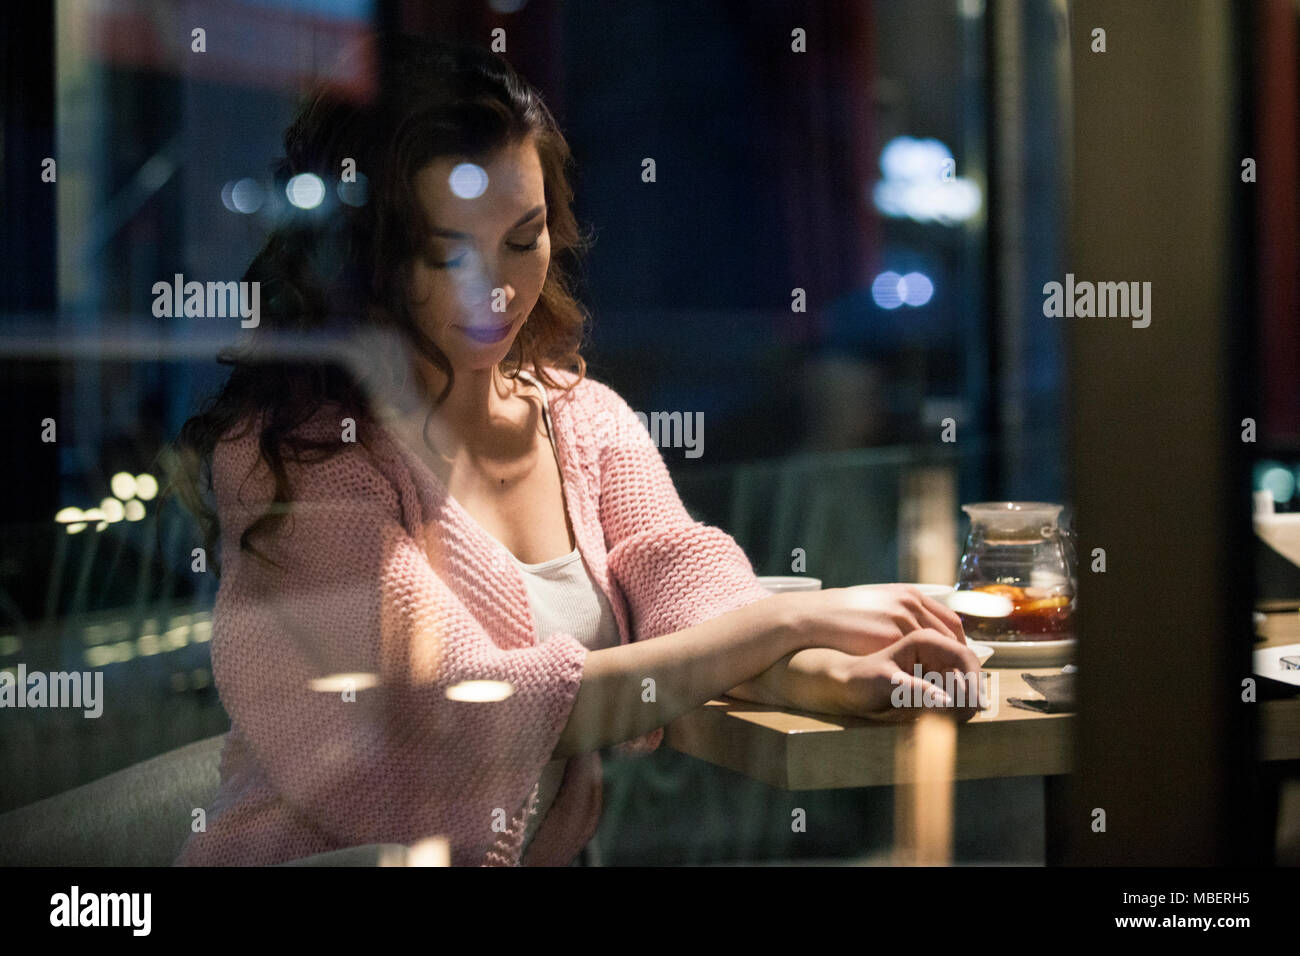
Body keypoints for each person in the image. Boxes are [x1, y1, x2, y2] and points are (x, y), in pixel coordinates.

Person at [166, 35, 981, 868]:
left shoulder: (579, 415)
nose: (497, 289)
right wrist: (791, 620)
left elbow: (679, 575)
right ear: (369, 261)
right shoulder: (299, 461)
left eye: (524, 239)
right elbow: (469, 709)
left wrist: (819, 673)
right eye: (450, 253)